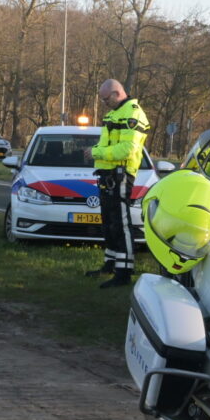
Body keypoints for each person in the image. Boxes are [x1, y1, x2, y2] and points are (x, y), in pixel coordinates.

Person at [84, 78, 150, 289]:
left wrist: (96, 152)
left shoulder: (132, 113)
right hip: (108, 174)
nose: (104, 103)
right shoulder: (114, 113)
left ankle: (124, 272)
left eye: (106, 99)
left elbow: (127, 150)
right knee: (109, 223)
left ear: (116, 93)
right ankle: (110, 264)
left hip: (121, 175)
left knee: (121, 223)